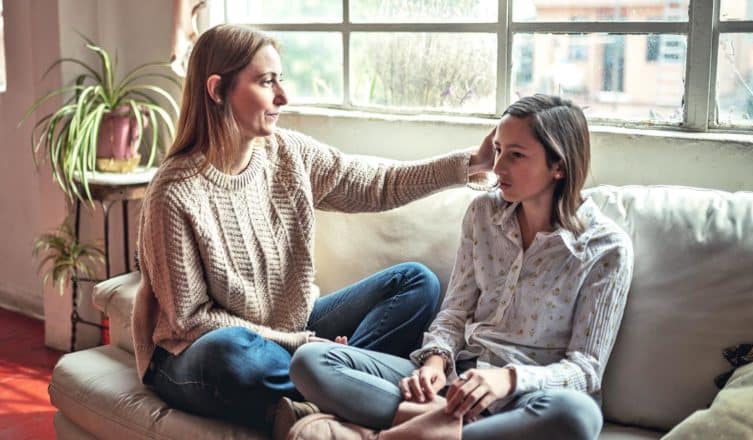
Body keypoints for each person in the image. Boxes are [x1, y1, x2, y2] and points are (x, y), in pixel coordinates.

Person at [130, 23, 494, 431]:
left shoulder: (289, 154)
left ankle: (325, 393)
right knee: (231, 352)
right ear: (217, 90)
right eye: (267, 82)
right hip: (193, 353)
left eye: (280, 80)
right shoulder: (175, 191)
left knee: (416, 283)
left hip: (292, 333)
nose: (283, 97)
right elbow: (192, 321)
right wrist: (300, 345)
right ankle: (342, 390)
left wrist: (470, 165)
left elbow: (377, 184)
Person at [290, 94, 634, 440]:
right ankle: (437, 429)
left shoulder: (605, 249)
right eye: (498, 150)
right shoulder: (482, 214)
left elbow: (586, 369)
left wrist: (507, 379)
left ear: (558, 166)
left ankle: (405, 432)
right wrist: (435, 365)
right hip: (454, 384)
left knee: (578, 415)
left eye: (516, 155)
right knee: (310, 361)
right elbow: (455, 311)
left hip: (524, 398)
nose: (498, 168)